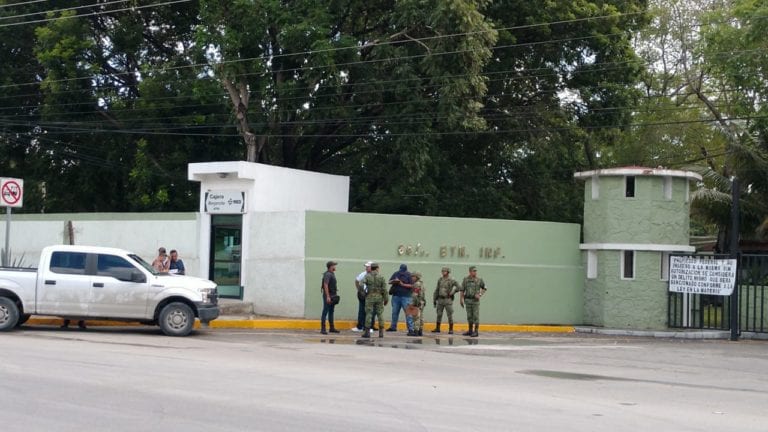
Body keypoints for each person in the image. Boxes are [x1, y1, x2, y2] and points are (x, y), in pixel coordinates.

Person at [361, 262, 388, 338]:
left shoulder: (367, 276)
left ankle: (367, 333)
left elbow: (361, 284)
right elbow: (384, 289)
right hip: (379, 297)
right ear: (377, 268)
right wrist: (386, 299)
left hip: (370, 296)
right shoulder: (381, 277)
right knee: (380, 314)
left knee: (369, 313)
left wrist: (363, 292)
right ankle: (381, 333)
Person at [432, 267, 461, 334]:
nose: (443, 272)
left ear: (448, 272)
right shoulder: (440, 279)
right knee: (439, 314)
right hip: (440, 300)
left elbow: (459, 287)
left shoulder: (451, 280)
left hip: (447, 299)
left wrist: (453, 292)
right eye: (442, 271)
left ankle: (451, 329)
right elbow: (437, 289)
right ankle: (437, 328)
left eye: (444, 271)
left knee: (449, 315)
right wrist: (434, 299)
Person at [460, 266, 487, 337]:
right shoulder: (465, 280)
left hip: (475, 301)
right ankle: (470, 330)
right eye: (473, 271)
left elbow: (485, 288)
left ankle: (476, 331)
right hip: (468, 300)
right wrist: (461, 299)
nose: (475, 272)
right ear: (470, 272)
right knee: (469, 316)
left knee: (475, 316)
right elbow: (462, 290)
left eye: (475, 271)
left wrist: (480, 294)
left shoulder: (479, 280)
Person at [386, 263, 413, 332]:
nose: (401, 272)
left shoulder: (409, 275)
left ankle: (410, 328)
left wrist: (402, 284)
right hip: (396, 296)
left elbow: (412, 285)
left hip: (406, 297)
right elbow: (389, 281)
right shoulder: (396, 273)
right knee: (394, 312)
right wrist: (395, 281)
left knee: (408, 313)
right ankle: (393, 327)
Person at [353, 261, 374, 332]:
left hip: (371, 295)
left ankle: (369, 327)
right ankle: (360, 327)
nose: (366, 268)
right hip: (363, 295)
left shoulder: (374, 275)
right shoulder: (363, 274)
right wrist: (359, 290)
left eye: (368, 267)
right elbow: (356, 281)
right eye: (366, 266)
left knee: (370, 311)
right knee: (361, 310)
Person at [320, 260, 340, 334]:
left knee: (331, 311)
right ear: (331, 266)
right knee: (325, 311)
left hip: (333, 295)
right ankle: (323, 329)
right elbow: (325, 285)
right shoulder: (328, 274)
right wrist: (328, 296)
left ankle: (332, 328)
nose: (335, 267)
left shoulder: (332, 274)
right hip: (328, 295)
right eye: (334, 265)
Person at [407, 272, 426, 336]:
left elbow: (415, 295)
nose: (412, 278)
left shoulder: (416, 284)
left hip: (417, 302)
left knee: (416, 317)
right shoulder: (422, 284)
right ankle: (420, 331)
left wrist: (412, 303)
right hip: (421, 302)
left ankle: (416, 331)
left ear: (417, 277)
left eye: (413, 276)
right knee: (421, 317)